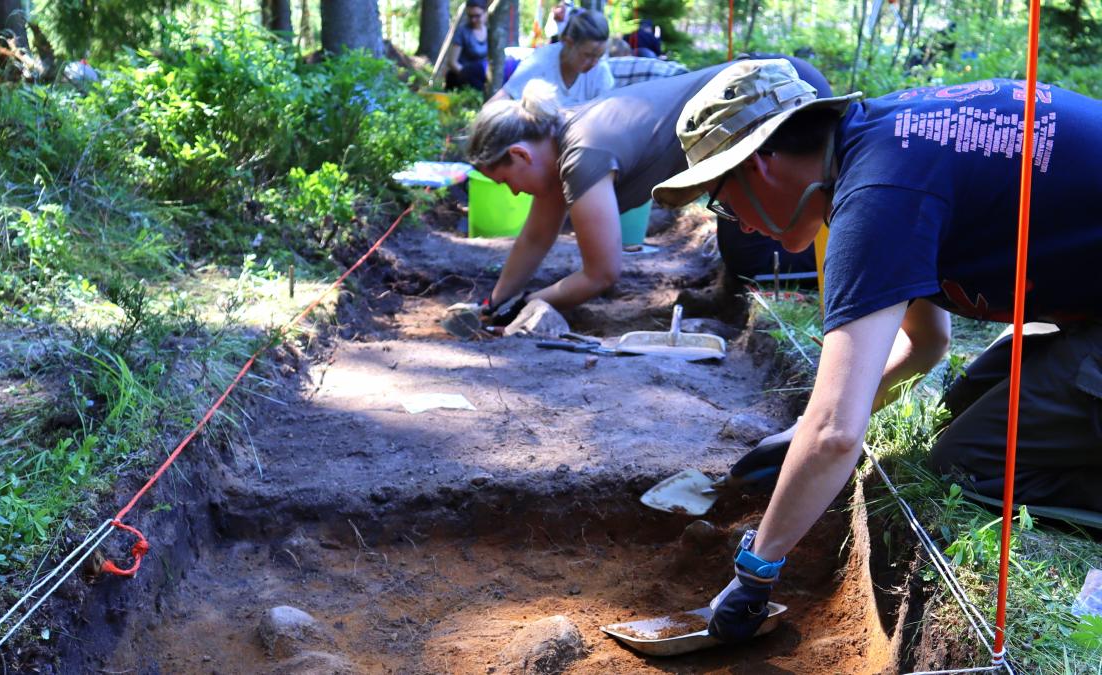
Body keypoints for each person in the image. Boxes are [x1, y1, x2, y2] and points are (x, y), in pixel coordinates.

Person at [651, 59, 1102, 643]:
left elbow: (837, 432)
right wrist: (802, 439)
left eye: (722, 200)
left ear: (757, 162)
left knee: (965, 468)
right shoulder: (883, 145)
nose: (735, 223)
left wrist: (756, 571)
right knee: (962, 409)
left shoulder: (877, 194)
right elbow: (928, 344)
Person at [461, 55, 829, 324]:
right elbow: (536, 236)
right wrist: (496, 302)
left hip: (777, 100)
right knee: (739, 227)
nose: (512, 194)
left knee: (760, 246)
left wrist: (529, 304)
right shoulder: (561, 139)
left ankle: (818, 294)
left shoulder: (582, 154)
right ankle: (731, 297)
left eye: (505, 181)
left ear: (519, 154)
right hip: (768, 93)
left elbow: (602, 273)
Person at [489, 9, 613, 108]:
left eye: (599, 56)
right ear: (568, 43)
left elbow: (608, 116)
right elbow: (501, 101)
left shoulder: (601, 70)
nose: (594, 63)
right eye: (588, 55)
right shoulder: (540, 62)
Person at [446, 0, 488, 92]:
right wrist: (468, 75)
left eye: (477, 16)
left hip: (482, 75)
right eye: (470, 16)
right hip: (460, 75)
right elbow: (452, 62)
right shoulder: (462, 32)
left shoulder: (491, 32)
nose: (473, 20)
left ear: (485, 13)